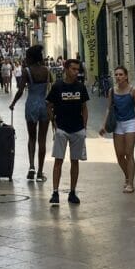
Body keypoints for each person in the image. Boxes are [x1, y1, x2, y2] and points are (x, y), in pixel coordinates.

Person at [46, 58, 89, 206]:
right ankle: (55, 192)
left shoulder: (80, 87)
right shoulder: (57, 86)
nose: (76, 72)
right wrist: (54, 122)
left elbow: (84, 107)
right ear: (66, 69)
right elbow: (49, 105)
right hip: (62, 128)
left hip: (77, 129)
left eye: (78, 69)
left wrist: (84, 125)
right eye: (73, 69)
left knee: (75, 161)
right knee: (58, 160)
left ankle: (72, 192)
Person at [99, 66, 135, 193]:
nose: (118, 77)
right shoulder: (112, 91)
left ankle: (130, 183)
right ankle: (127, 175)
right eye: (116, 74)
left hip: (131, 123)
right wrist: (104, 125)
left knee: (129, 153)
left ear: (126, 76)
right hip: (117, 124)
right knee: (119, 155)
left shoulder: (133, 90)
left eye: (120, 74)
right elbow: (109, 108)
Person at [9, 45, 51, 182]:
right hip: (44, 105)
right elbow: (51, 90)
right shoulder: (47, 70)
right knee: (42, 140)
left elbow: (21, 91)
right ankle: (40, 172)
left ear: (31, 57)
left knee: (31, 137)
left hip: (31, 105)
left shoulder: (27, 71)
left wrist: (13, 103)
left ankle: (31, 167)